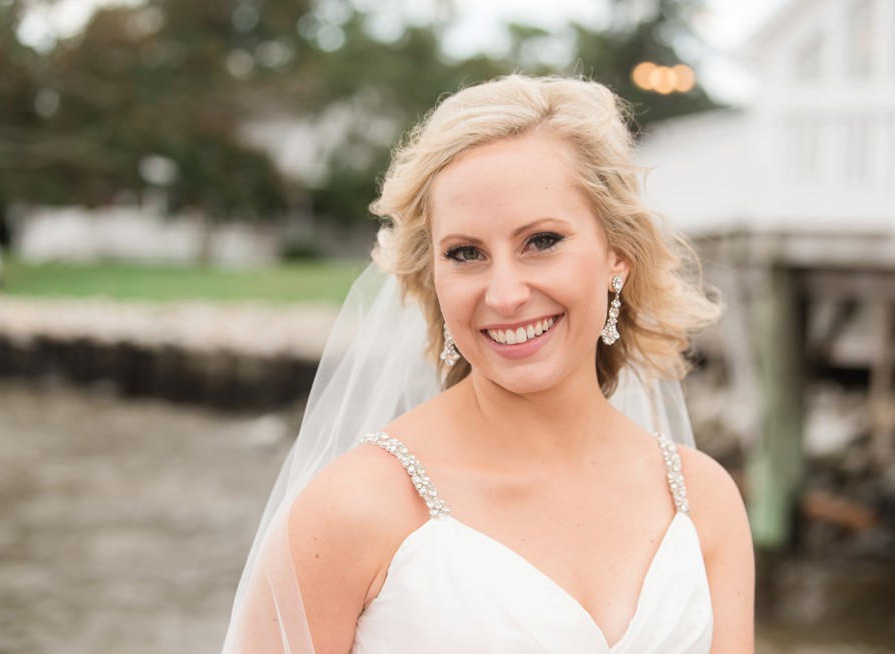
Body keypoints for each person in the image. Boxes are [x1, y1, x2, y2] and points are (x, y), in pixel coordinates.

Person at [223, 75, 754, 653]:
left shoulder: (702, 500)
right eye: (466, 253)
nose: (504, 295)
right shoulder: (354, 508)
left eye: (542, 241)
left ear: (615, 258)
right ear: (434, 276)